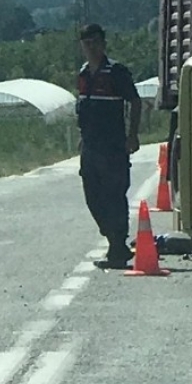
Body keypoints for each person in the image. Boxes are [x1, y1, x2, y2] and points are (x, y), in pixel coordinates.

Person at [76, 23, 141, 269]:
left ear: (103, 44)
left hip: (113, 146)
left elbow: (134, 102)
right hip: (91, 147)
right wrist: (82, 137)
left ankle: (117, 246)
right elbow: (84, 108)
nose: (90, 47)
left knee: (114, 195)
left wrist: (132, 135)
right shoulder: (83, 74)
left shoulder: (116, 72)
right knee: (93, 197)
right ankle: (112, 237)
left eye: (94, 42)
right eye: (86, 43)